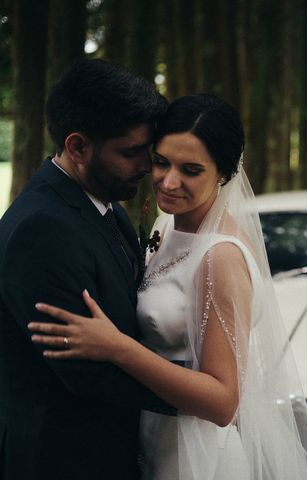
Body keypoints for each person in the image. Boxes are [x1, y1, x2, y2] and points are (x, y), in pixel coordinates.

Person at [28, 94, 307, 480]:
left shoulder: (219, 257)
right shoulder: (168, 225)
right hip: (151, 436)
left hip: (195, 455)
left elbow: (223, 402)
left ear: (223, 173)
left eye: (190, 170)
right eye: (161, 162)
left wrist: (117, 347)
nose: (169, 182)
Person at [0, 59, 173, 480]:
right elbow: (87, 374)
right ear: (77, 146)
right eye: (130, 153)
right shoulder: (41, 229)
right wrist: (205, 392)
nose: (146, 167)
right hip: (64, 459)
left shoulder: (104, 206)